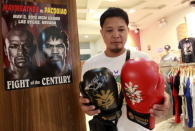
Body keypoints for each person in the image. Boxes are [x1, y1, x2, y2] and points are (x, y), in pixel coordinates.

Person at [79, 7, 170, 131]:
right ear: (102, 33)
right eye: (109, 30)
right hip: (106, 127)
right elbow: (86, 100)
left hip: (139, 127)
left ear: (128, 30)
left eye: (121, 29)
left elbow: (156, 89)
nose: (116, 35)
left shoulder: (143, 58)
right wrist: (86, 107)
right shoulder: (90, 64)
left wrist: (165, 100)